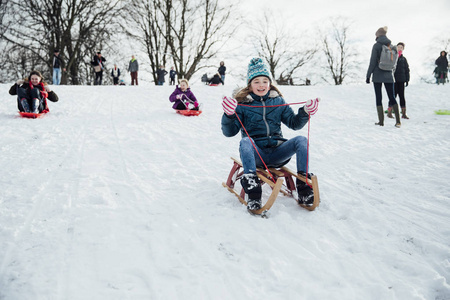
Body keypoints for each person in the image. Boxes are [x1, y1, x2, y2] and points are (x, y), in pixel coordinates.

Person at [221, 58, 320, 211]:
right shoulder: (242, 105)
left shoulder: (278, 101)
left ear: (270, 83)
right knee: (246, 141)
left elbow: (294, 123)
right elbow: (229, 132)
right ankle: (253, 191)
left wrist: (305, 112)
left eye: (265, 81)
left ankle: (303, 187)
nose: (261, 85)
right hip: (256, 155)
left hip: (277, 152)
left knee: (301, 140)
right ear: (250, 84)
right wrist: (229, 115)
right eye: (257, 81)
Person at [366, 26, 401, 128]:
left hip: (377, 75)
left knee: (379, 97)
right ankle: (398, 121)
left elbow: (372, 62)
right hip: (389, 75)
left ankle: (381, 121)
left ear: (378, 35)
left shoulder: (376, 46)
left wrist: (368, 76)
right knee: (392, 97)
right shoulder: (391, 45)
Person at [394, 42, 410, 119]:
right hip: (393, 80)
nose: (399, 48)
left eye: (401, 47)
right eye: (398, 47)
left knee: (402, 96)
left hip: (401, 80)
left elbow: (407, 70)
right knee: (393, 96)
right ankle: (389, 111)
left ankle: (403, 113)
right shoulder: (393, 57)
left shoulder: (404, 59)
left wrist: (407, 79)